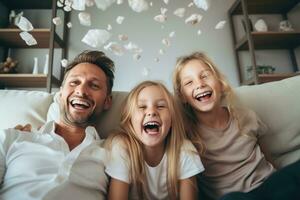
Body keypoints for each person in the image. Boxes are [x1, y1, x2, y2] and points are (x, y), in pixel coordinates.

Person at [172, 51, 300, 200]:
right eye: (189, 82)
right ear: (182, 96)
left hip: (270, 186)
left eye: (205, 76)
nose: (200, 84)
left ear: (219, 83)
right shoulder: (187, 133)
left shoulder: (246, 116)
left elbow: (268, 157)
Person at [0, 50, 115, 200]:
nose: (81, 91)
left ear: (107, 101)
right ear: (60, 94)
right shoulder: (11, 138)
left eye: (94, 85)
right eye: (74, 82)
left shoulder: (114, 153)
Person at [104, 80, 204, 200]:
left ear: (172, 119)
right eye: (142, 107)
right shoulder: (122, 148)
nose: (151, 112)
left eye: (161, 106)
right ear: (129, 120)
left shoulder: (184, 150)